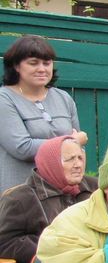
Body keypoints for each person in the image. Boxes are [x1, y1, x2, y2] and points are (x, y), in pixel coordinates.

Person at [0, 135, 97, 263]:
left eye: (80, 158)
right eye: (69, 159)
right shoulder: (20, 199)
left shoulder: (94, 188)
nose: (78, 165)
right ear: (51, 163)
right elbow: (4, 243)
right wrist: (51, 246)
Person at [1, 35, 86, 193]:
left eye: (46, 63)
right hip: (22, 194)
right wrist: (71, 142)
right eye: (33, 63)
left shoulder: (63, 98)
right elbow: (23, 148)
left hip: (62, 193)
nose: (42, 69)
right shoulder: (4, 99)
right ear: (16, 66)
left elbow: (77, 149)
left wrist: (73, 144)